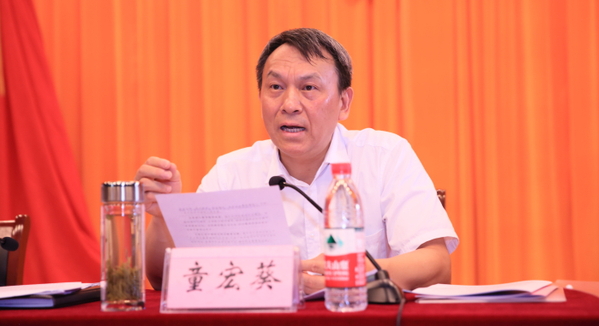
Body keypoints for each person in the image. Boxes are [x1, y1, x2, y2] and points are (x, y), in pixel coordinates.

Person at [136, 28, 458, 292]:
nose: (289, 104)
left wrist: (347, 276)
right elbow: (167, 280)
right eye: (275, 87)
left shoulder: (384, 156)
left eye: (309, 88)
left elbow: (436, 265)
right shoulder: (232, 173)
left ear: (344, 102)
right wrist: (162, 217)